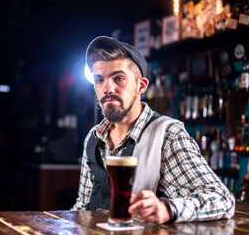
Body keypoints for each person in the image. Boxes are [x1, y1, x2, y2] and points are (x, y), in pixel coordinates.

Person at [71, 36, 235, 224]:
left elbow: (222, 200)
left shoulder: (168, 135)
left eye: (119, 78)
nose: (107, 88)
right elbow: (82, 207)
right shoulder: (94, 137)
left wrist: (168, 208)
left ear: (141, 85)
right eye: (99, 80)